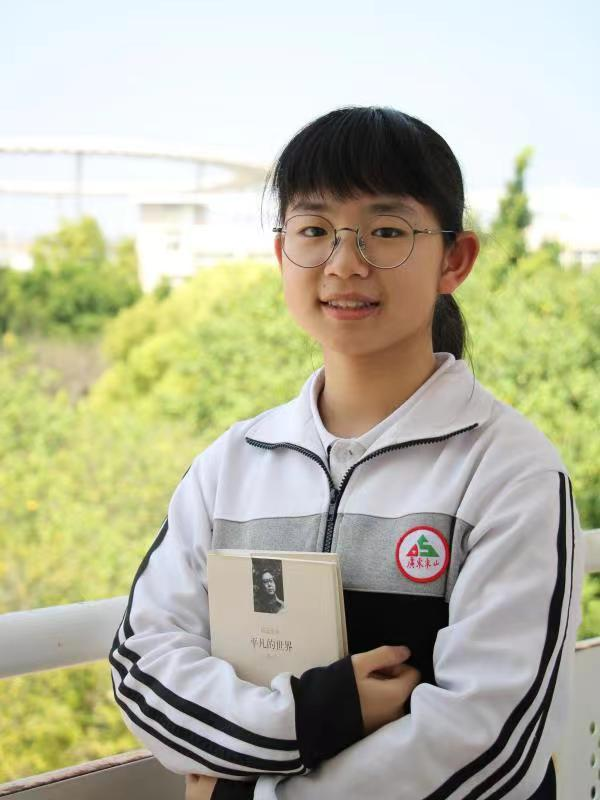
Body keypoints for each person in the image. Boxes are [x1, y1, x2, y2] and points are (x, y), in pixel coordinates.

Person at [109, 106, 584, 800]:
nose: (344, 263)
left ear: (455, 260)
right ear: (283, 255)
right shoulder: (232, 465)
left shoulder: (510, 471)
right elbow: (145, 670)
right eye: (315, 231)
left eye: (386, 231)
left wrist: (252, 794)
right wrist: (312, 716)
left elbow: (490, 741)